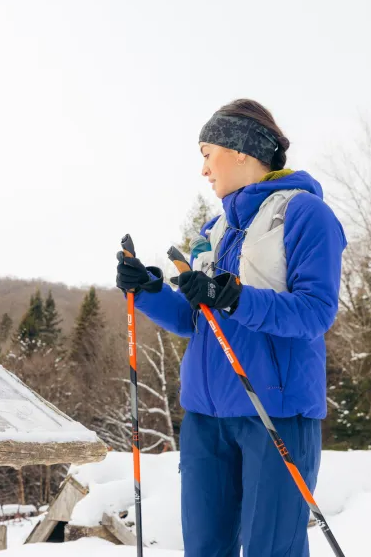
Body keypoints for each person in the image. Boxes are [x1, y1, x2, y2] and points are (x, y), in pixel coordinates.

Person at [116, 99, 347, 557]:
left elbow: (315, 312)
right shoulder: (215, 229)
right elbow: (195, 320)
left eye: (207, 153)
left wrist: (236, 296)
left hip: (275, 411)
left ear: (240, 149)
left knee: (271, 550)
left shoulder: (304, 215)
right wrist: (147, 289)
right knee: (204, 549)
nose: (203, 169)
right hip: (206, 417)